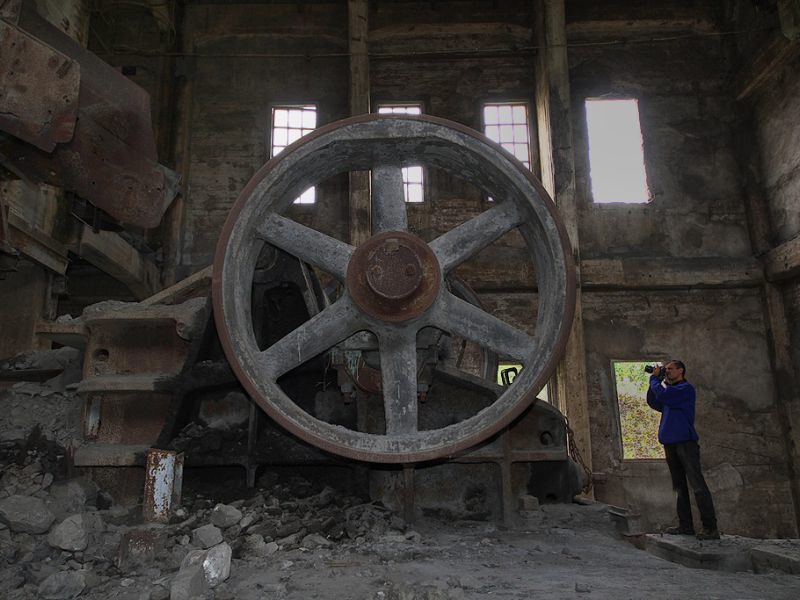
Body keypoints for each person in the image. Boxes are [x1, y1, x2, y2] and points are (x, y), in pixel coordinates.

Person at [647, 360, 720, 540]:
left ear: (681, 371)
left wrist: (655, 380)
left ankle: (710, 528)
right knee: (680, 487)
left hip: (685, 444)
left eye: (670, 369)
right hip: (670, 444)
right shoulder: (669, 392)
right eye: (666, 369)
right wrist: (655, 381)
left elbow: (665, 396)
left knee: (698, 486)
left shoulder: (685, 390)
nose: (668, 371)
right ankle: (685, 526)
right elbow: (654, 401)